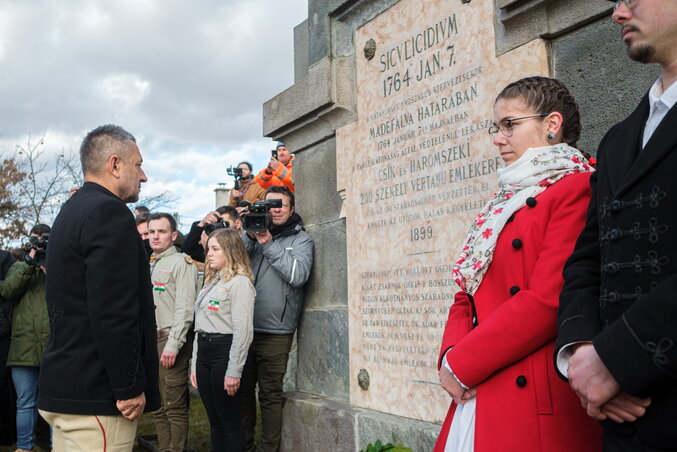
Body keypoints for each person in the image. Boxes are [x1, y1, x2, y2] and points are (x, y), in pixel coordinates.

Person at [434, 77, 601, 452]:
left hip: (526, 386)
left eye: (510, 124)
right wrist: (449, 356)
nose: (498, 137)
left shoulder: (577, 187)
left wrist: (464, 362)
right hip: (477, 383)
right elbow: (467, 291)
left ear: (551, 125)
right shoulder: (503, 201)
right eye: (497, 127)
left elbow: (547, 299)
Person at [555, 1, 677, 450]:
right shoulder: (619, 139)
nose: (618, 14)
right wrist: (581, 353)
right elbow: (588, 259)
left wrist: (617, 359)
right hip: (623, 421)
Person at [38, 124, 160, 452]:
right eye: (139, 165)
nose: (144, 176)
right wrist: (128, 386)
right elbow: (113, 311)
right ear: (115, 164)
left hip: (69, 387)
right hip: (97, 396)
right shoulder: (109, 213)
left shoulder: (71, 211)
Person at [240, 185, 313, 452]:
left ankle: (269, 448)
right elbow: (231, 261)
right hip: (244, 328)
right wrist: (248, 236)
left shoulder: (301, 240)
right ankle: (244, 446)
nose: (274, 210)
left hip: (275, 332)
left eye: (280, 205)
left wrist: (268, 244)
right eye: (269, 206)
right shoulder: (253, 234)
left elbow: (298, 276)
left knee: (269, 396)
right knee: (242, 394)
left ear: (291, 209)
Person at [189, 228, 255, 452]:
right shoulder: (212, 282)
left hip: (224, 353)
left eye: (215, 249)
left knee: (230, 422)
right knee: (214, 422)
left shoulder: (240, 283)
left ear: (231, 250)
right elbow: (200, 325)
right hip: (205, 353)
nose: (209, 254)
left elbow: (243, 331)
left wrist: (234, 370)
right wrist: (195, 363)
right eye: (209, 249)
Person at [148, 213, 198, 452]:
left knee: (174, 404)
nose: (155, 236)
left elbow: (185, 308)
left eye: (162, 231)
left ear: (173, 235)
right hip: (152, 339)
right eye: (151, 232)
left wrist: (173, 344)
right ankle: (164, 447)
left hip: (170, 339)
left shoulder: (181, 262)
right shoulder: (152, 262)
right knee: (158, 403)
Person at [1, 224, 51, 452]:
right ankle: (24, 447)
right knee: (25, 403)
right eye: (36, 239)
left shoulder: (60, 266)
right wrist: (30, 263)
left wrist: (51, 265)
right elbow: (8, 290)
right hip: (23, 346)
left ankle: (56, 445)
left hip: (53, 346)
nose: (40, 244)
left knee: (53, 403)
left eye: (44, 240)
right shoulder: (19, 266)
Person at [0, 247, 16, 446]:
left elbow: (12, 290)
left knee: (4, 386)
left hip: (3, 334)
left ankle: (7, 434)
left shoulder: (4, 258)